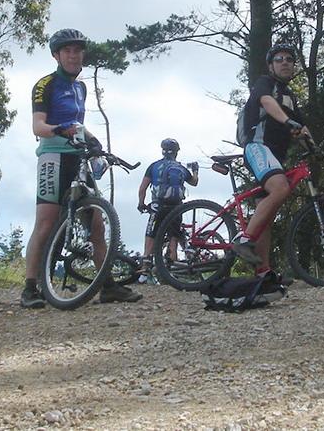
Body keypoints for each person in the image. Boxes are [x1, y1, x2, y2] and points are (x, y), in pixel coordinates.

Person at [21, 28, 142, 308]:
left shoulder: (81, 88)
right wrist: (59, 129)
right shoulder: (45, 84)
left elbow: (78, 125)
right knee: (46, 222)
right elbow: (38, 126)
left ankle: (107, 286)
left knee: (96, 224)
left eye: (77, 51)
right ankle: (29, 288)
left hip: (79, 158)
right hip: (53, 157)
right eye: (67, 51)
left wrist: (94, 141)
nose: (74, 56)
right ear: (56, 55)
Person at [230, 42, 310, 285]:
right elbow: (266, 102)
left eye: (289, 59)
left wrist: (314, 148)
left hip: (274, 157)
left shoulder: (291, 97)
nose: (285, 62)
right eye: (279, 59)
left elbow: (303, 129)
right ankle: (244, 240)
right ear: (271, 66)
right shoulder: (265, 83)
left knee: (266, 213)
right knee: (280, 188)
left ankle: (263, 273)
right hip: (257, 147)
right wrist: (287, 122)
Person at [137, 138, 199, 275]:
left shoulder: (154, 166)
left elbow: (143, 188)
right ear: (176, 152)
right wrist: (195, 170)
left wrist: (141, 203)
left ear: (162, 151)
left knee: (151, 232)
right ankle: (172, 268)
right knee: (174, 235)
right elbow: (194, 182)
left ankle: (146, 263)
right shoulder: (181, 168)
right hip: (177, 207)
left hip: (158, 205)